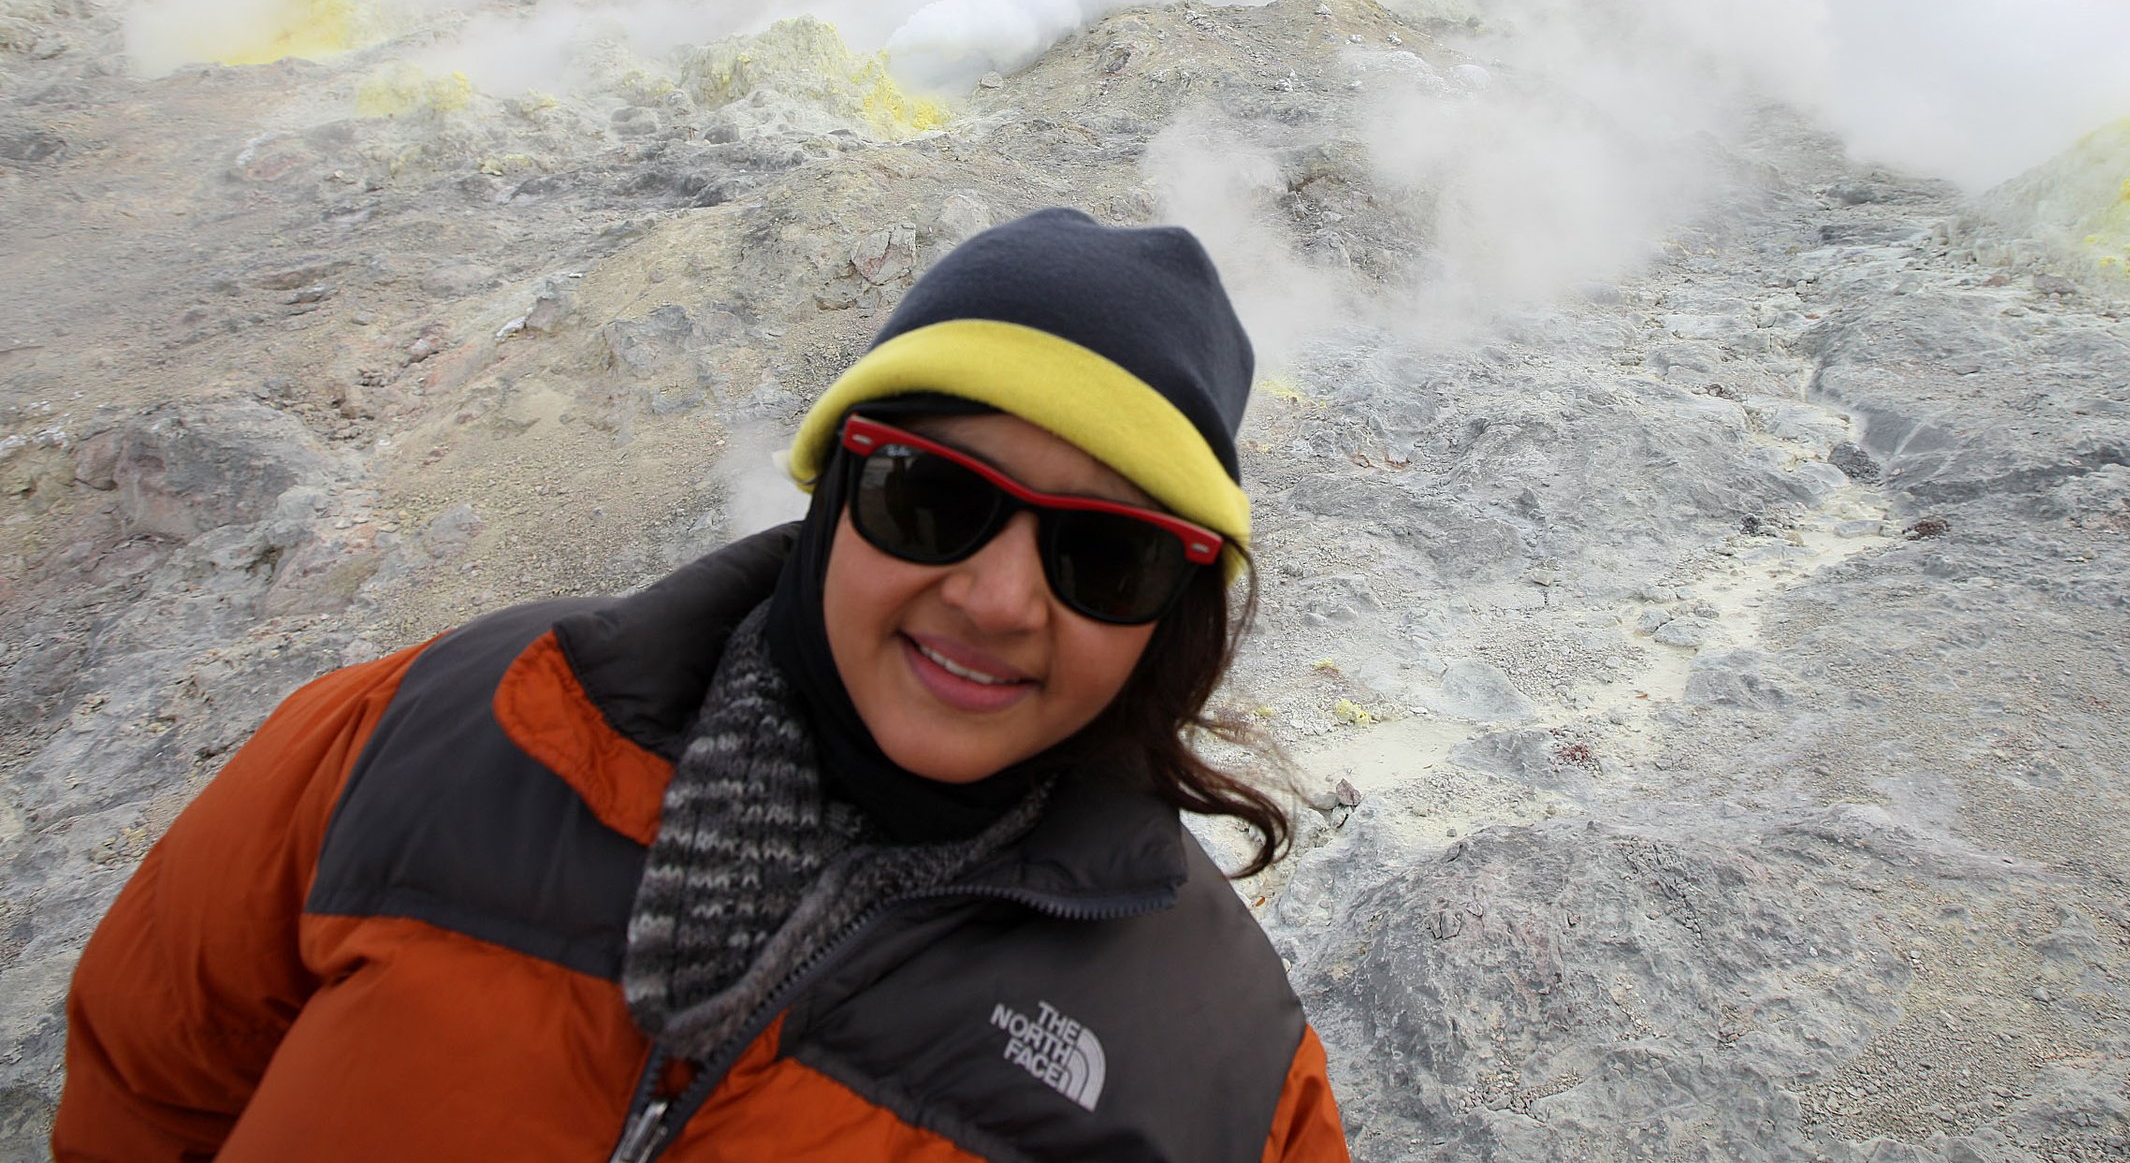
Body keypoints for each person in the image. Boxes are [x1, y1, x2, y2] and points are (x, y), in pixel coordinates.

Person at [55, 208, 1350, 1163]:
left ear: (1174, 618)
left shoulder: (1224, 1069)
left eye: (1107, 556)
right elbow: (149, 1078)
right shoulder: (450, 725)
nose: (1001, 597)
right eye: (933, 497)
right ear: (834, 488)